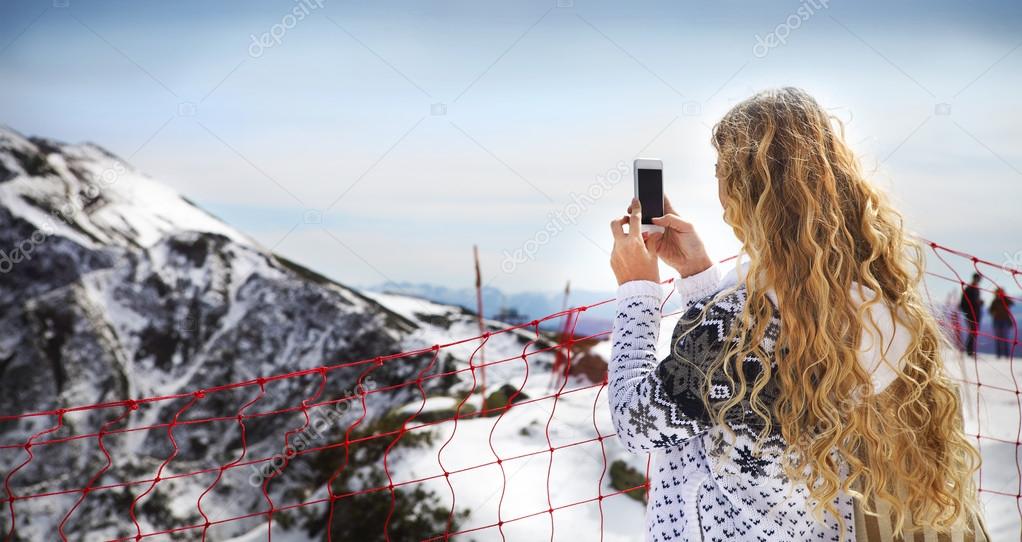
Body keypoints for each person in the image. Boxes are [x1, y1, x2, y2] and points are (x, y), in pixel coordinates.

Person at [608, 88, 979, 541]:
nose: (720, 194)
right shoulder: (877, 307)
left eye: (722, 173)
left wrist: (637, 290)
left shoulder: (742, 328)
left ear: (749, 191)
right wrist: (699, 276)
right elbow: (723, 390)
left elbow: (636, 422)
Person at [960, 273, 984, 355]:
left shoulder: (975, 288)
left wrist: (979, 303)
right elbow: (963, 303)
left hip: (976, 314)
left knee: (974, 332)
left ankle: (970, 350)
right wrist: (968, 313)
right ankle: (969, 351)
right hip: (971, 314)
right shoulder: (969, 289)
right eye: (978, 279)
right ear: (975, 278)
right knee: (972, 332)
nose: (979, 280)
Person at [989, 287, 1015, 358]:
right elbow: (990, 310)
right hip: (997, 321)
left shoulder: (1005, 300)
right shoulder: (994, 301)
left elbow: (1012, 303)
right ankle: (999, 355)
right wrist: (994, 312)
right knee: (998, 338)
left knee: (1005, 337)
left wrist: (1005, 297)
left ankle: (1007, 355)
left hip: (1005, 320)